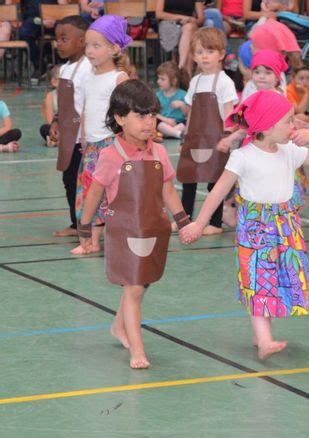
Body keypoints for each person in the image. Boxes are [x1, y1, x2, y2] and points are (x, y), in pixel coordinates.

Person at [180, 90, 309, 360]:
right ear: (267, 126)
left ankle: (262, 333)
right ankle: (263, 339)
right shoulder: (243, 156)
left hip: (285, 225)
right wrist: (199, 223)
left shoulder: (289, 151)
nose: (293, 125)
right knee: (259, 281)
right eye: (288, 120)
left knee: (279, 279)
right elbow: (216, 192)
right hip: (256, 229)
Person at [77, 80, 189, 369]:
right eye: (140, 116)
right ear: (119, 118)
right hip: (125, 233)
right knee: (134, 288)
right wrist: (85, 229)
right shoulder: (111, 155)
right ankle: (137, 349)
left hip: (153, 228)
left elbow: (167, 191)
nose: (149, 122)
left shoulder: (159, 153)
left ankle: (118, 326)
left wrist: (183, 221)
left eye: (152, 115)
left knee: (142, 283)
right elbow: (95, 194)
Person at [72, 14, 131, 255]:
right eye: (87, 45)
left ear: (114, 48)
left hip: (112, 145)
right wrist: (84, 136)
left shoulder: (119, 78)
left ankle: (117, 237)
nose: (90, 50)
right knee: (89, 192)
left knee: (113, 194)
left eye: (96, 45)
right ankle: (91, 241)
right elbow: (86, 108)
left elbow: (126, 113)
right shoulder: (87, 77)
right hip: (93, 145)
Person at [176, 27, 238, 235]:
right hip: (196, 137)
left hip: (217, 139)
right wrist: (187, 134)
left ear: (221, 55)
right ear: (193, 56)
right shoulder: (195, 81)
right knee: (189, 178)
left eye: (209, 51)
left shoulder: (225, 82)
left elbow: (229, 113)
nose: (204, 56)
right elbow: (192, 111)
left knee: (215, 180)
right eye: (199, 52)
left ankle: (215, 222)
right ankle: (185, 218)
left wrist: (227, 138)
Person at [49, 15, 91, 238]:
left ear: (82, 40)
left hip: (82, 138)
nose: (58, 43)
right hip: (68, 137)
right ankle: (76, 223)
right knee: (68, 180)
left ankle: (88, 224)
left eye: (64, 39)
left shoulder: (88, 69)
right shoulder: (64, 69)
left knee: (82, 183)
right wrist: (56, 121)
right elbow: (65, 104)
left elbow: (88, 104)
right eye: (57, 39)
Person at [155, 0, 204, 77]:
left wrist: (191, 20)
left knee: (189, 28)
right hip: (168, 24)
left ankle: (180, 67)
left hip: (188, 25)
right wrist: (180, 17)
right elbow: (159, 14)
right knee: (190, 40)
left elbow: (201, 19)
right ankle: (186, 74)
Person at [156, 61, 187, 139]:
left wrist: (182, 105)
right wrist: (166, 120)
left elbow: (188, 114)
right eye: (158, 78)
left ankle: (167, 133)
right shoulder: (157, 95)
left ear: (173, 81)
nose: (158, 81)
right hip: (164, 123)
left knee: (185, 124)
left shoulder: (183, 94)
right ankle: (177, 134)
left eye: (162, 79)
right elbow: (154, 113)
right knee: (159, 124)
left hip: (178, 123)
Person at [40, 65, 60, 147]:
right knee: (44, 128)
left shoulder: (73, 94)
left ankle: (55, 141)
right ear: (54, 81)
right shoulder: (50, 96)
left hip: (71, 127)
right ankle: (55, 140)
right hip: (57, 127)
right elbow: (50, 120)